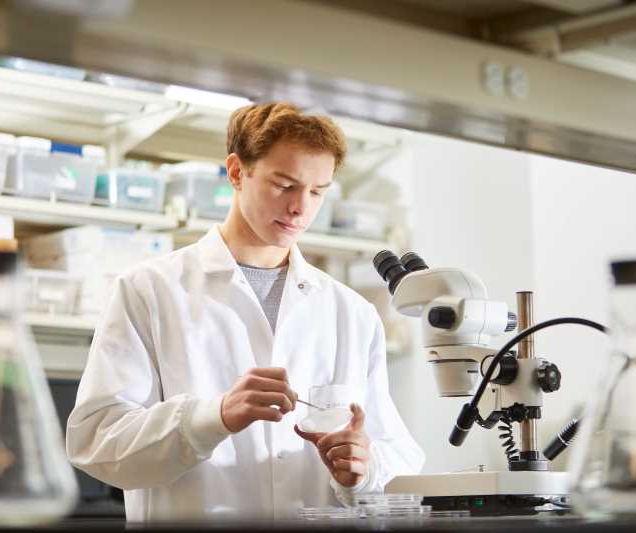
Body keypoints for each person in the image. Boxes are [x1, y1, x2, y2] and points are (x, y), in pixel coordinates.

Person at [66, 102, 425, 522]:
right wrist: (212, 416)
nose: (300, 208)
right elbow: (97, 443)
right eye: (284, 184)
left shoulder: (352, 314)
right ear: (237, 172)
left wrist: (362, 471)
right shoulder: (148, 290)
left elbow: (396, 456)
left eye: (316, 192)